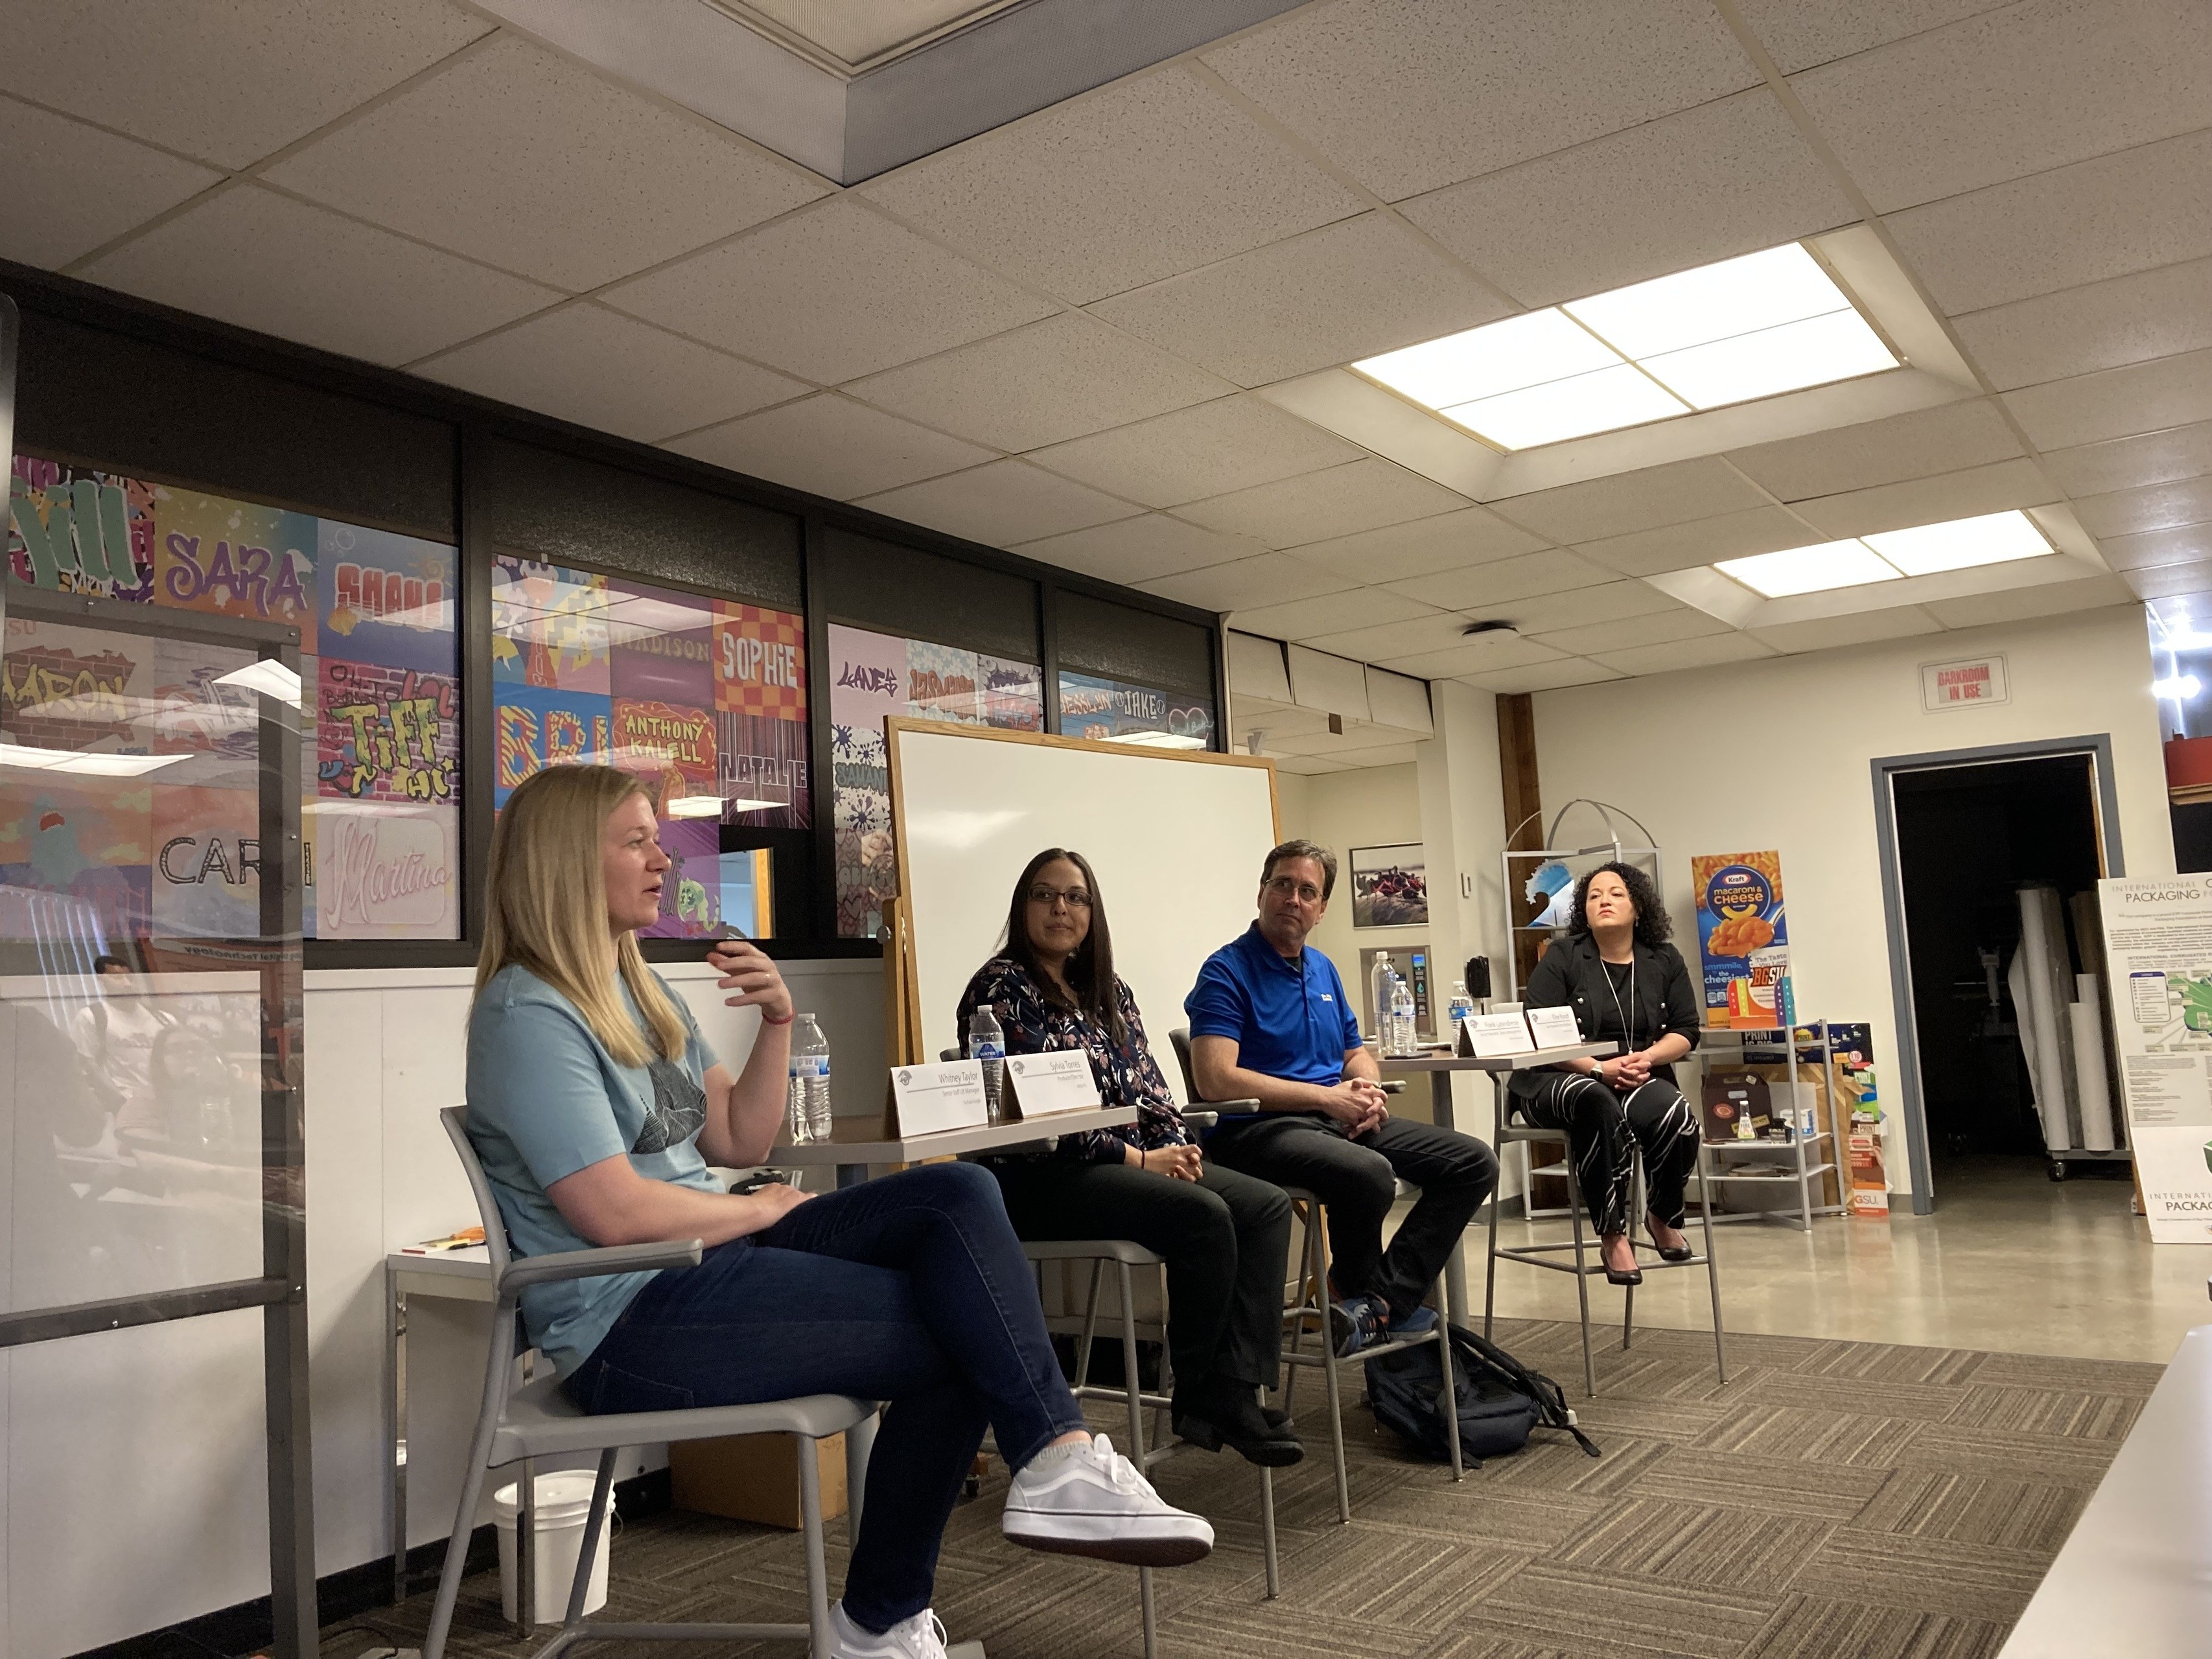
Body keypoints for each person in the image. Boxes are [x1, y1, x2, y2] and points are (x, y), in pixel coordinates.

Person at [463, 765, 1212, 1659]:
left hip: (708, 1257)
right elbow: (613, 1213)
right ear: (562, 862)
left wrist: (779, 1019)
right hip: (627, 1317)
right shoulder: (527, 1012)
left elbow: (738, 1138)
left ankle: (1047, 1463)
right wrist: (757, 1213)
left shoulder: (636, 989)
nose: (664, 858)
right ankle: (883, 1616)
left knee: (959, 1192)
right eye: (637, 841)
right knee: (963, 1333)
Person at [957, 849, 1299, 1467]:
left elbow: (1149, 1087)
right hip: (1039, 1175)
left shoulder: (1107, 988)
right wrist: (1140, 1162)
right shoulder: (1001, 987)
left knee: (1265, 1205)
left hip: (1123, 1163)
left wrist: (1176, 1145)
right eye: (1045, 895)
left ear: (1092, 912)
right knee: (1202, 1216)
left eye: (1075, 897)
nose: (1061, 908)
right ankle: (1197, 1393)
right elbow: (1042, 1114)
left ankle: (1236, 1386)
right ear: (1023, 906)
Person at [1185, 839, 1498, 1358]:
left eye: (1307, 891)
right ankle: (1358, 1296)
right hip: (1260, 1131)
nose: (1292, 898)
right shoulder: (1225, 970)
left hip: (1332, 1122)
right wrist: (1328, 1098)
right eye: (1281, 884)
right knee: (1368, 1172)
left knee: (1472, 1162)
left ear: (1322, 908)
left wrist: (1368, 1088)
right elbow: (1215, 1080)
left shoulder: (1323, 969)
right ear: (1262, 892)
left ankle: (1376, 1305)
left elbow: (1356, 1051)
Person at [1512, 861, 1701, 1286]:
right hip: (1559, 1076)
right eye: (1594, 895)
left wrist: (1648, 1059)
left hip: (1637, 1071)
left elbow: (1687, 1030)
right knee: (1595, 1102)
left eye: (1615, 893)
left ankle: (1660, 1214)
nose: (1603, 901)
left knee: (1677, 1117)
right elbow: (1537, 1029)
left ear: (1638, 907)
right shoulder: (1563, 955)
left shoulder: (1663, 958)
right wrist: (1598, 1068)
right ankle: (1613, 1234)